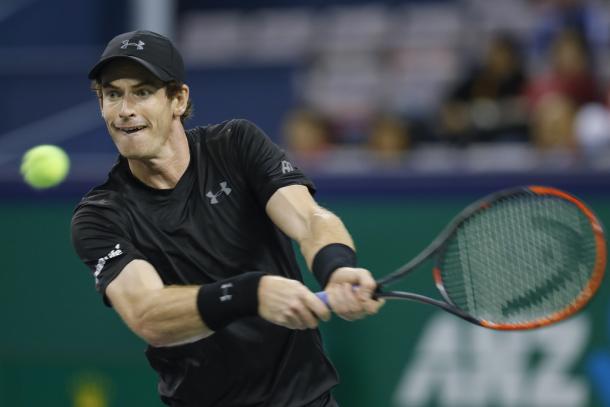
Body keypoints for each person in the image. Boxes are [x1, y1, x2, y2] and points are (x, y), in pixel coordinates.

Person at [71, 30, 383, 407]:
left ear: (178, 99)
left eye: (142, 91)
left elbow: (309, 218)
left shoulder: (236, 144)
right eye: (113, 94)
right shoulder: (100, 216)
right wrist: (252, 293)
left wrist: (336, 267)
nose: (125, 109)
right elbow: (147, 315)